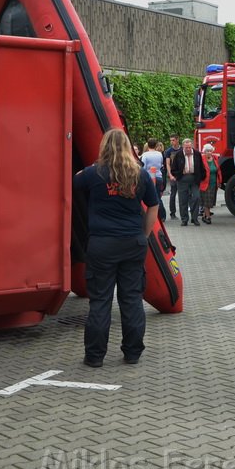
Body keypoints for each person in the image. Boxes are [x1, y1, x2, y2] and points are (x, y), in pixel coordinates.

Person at [74, 129, 159, 367]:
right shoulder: (140, 175)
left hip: (102, 244)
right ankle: (132, 353)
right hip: (132, 243)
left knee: (100, 300)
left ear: (104, 147)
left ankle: (95, 356)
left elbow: (74, 182)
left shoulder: (94, 173)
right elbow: (153, 206)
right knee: (131, 299)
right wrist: (144, 233)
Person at [170, 139, 205, 226]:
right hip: (182, 179)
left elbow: (201, 166)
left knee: (196, 197)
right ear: (183, 147)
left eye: (189, 147)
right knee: (183, 199)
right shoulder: (179, 155)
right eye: (186, 148)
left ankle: (194, 218)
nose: (188, 149)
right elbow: (173, 169)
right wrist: (179, 174)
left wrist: (201, 177)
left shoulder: (197, 154)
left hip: (194, 179)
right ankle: (184, 219)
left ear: (192, 146)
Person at [140, 138, 167, 221]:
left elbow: (143, 166)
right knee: (158, 196)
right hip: (158, 176)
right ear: (156, 145)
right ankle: (162, 215)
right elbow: (160, 164)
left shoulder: (145, 155)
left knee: (151, 197)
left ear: (148, 145)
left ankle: (154, 216)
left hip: (149, 177)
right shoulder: (159, 154)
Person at [200, 143, 222, 224]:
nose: (209, 152)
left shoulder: (215, 159)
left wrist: (219, 181)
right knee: (207, 202)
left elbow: (218, 171)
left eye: (210, 151)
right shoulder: (202, 160)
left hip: (214, 183)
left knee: (211, 201)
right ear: (204, 152)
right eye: (207, 151)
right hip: (205, 183)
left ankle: (204, 216)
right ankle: (208, 217)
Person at [163, 134, 180, 221]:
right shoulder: (168, 151)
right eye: (171, 140)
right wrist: (170, 174)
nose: (171, 142)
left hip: (181, 175)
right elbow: (168, 163)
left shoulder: (182, 149)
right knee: (173, 194)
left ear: (177, 140)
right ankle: (172, 213)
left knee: (185, 194)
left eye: (173, 140)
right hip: (173, 174)